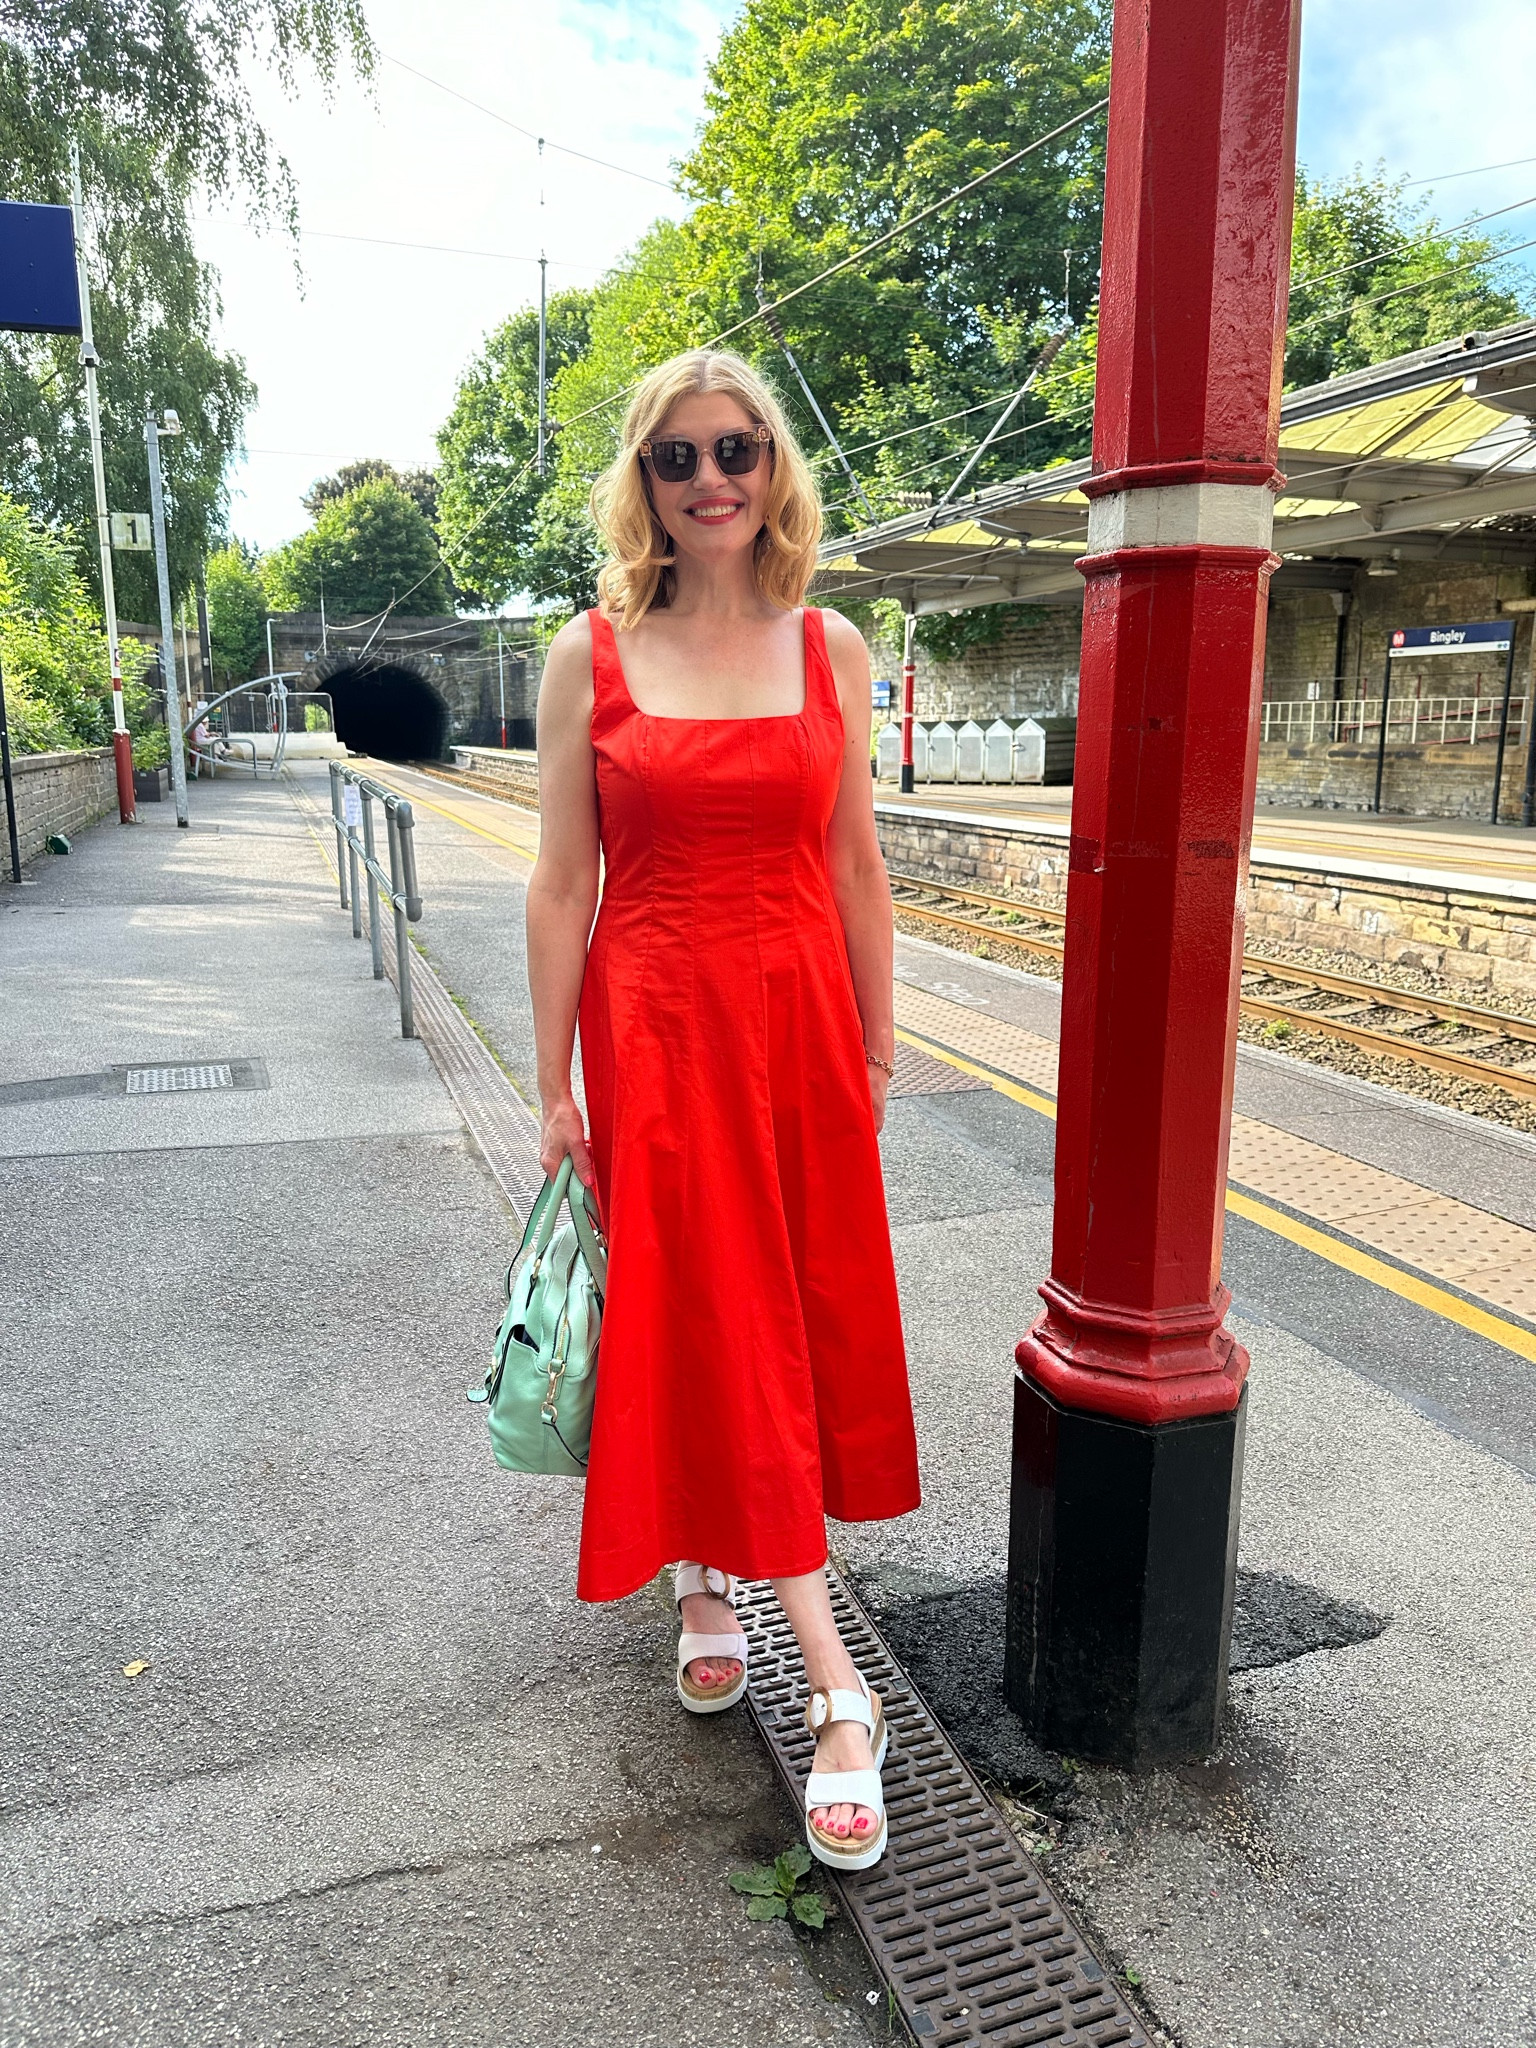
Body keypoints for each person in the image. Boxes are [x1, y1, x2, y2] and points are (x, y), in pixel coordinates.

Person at [527, 347, 920, 1872]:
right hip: (655, 1025)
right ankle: (838, 1691)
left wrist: (880, 1050)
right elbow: (564, 883)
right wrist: (553, 1080)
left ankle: (707, 1584)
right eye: (678, 457)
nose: (710, 481)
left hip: (797, 1029)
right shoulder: (591, 655)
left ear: (774, 468)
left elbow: (853, 869)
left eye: (737, 450)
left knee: (764, 1317)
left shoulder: (833, 646)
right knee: (710, 1313)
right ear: (645, 479)